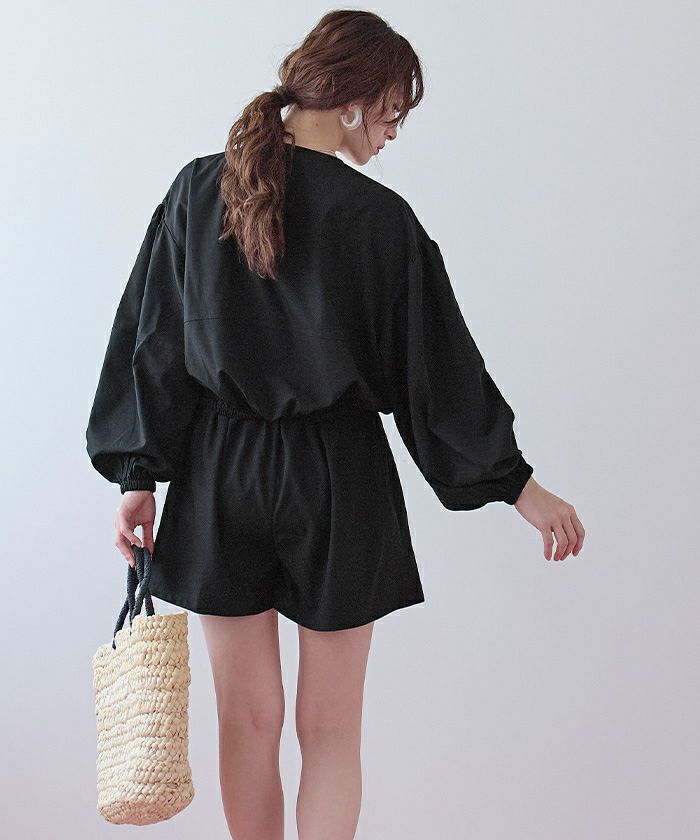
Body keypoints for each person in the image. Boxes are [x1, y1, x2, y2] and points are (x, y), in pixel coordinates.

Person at [85, 9, 585, 839]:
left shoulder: (197, 190)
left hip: (221, 472)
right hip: (337, 477)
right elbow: (437, 371)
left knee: (246, 719)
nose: (391, 135)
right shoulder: (379, 220)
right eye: (392, 113)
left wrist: (138, 477)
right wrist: (518, 484)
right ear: (352, 101)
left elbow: (153, 341)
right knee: (330, 728)